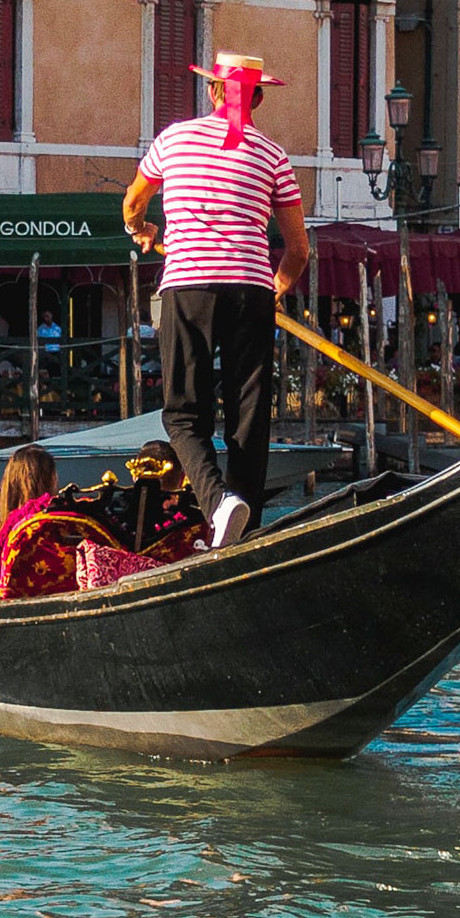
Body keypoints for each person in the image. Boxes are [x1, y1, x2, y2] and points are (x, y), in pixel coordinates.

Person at [123, 49, 309, 548]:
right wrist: (278, 287)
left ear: (213, 91)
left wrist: (140, 228)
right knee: (249, 414)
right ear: (259, 99)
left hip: (188, 286)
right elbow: (297, 249)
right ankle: (244, 532)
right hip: (251, 291)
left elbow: (133, 200)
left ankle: (218, 504)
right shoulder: (273, 156)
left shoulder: (174, 139)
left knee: (183, 413)